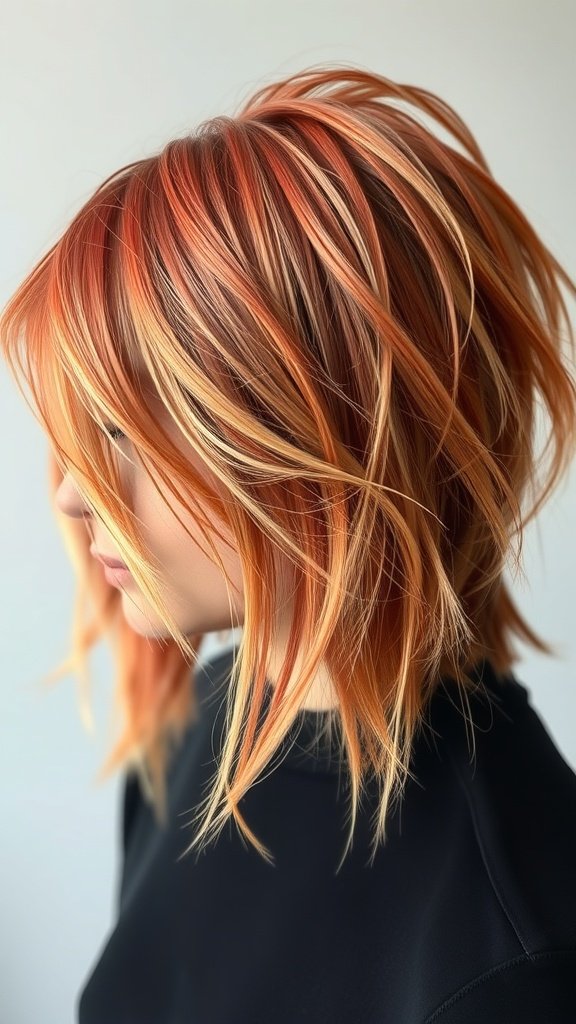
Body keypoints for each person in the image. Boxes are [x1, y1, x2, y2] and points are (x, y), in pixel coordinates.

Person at [1, 62, 575, 1023]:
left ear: (316, 435)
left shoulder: (513, 955)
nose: (69, 494)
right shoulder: (198, 734)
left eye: (128, 434)